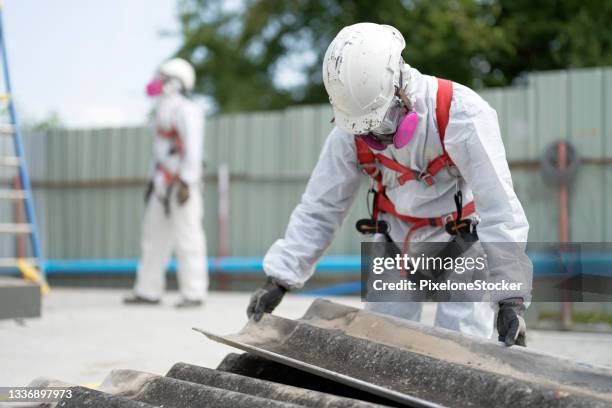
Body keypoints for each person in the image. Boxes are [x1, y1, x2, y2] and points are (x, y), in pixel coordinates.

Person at [247, 23, 532, 346]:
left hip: (463, 243)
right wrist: (280, 278)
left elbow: (500, 208)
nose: (374, 138)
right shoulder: (349, 131)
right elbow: (320, 206)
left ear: (401, 87)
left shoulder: (461, 114)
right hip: (396, 242)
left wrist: (510, 298)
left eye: (379, 124)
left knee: (461, 349)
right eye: (365, 130)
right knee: (380, 347)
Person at [124, 58, 208, 308]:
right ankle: (148, 291)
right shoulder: (161, 111)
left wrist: (186, 181)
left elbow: (193, 149)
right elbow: (160, 151)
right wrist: (153, 181)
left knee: (188, 238)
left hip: (182, 184)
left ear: (174, 83)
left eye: (162, 78)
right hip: (162, 183)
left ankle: (194, 293)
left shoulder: (186, 110)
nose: (156, 83)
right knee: (153, 237)